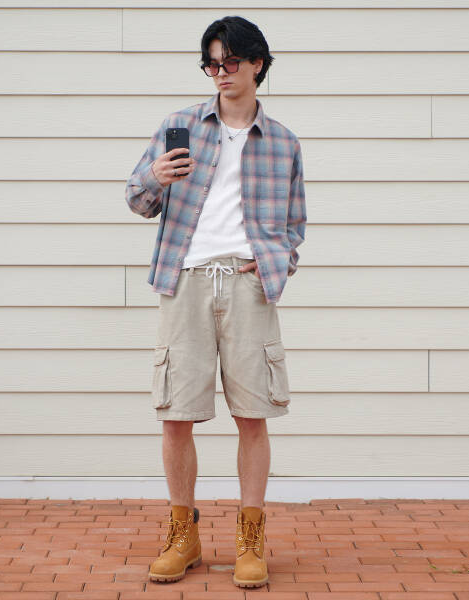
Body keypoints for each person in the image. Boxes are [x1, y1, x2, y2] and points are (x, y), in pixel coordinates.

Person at [125, 15, 306, 589]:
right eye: (211, 64)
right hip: (186, 279)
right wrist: (156, 177)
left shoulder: (283, 142)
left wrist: (273, 262)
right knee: (177, 415)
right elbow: (137, 200)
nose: (220, 73)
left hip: (249, 284)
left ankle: (250, 539)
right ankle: (184, 535)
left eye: (229, 62)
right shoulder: (179, 126)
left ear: (257, 64)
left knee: (253, 415)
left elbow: (295, 225)